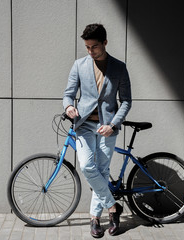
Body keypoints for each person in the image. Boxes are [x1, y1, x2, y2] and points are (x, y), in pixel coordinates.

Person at [63, 23, 132, 238]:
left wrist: (113, 124)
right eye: (87, 47)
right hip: (83, 125)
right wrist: (69, 106)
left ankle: (95, 220)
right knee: (87, 166)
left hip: (107, 128)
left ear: (105, 43)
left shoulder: (119, 67)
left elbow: (126, 101)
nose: (90, 51)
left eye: (94, 47)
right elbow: (68, 94)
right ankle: (113, 207)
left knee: (101, 170)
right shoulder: (79, 65)